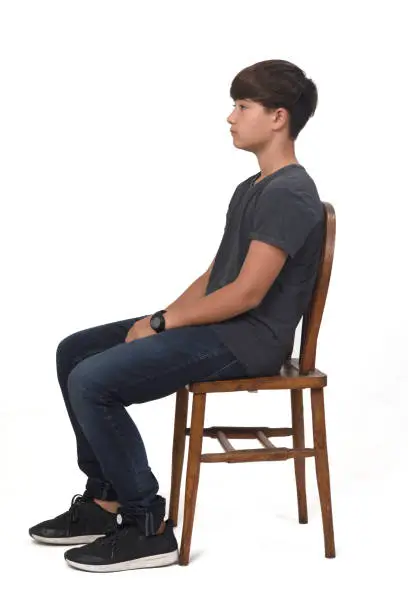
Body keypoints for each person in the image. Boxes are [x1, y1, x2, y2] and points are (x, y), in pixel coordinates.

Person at [28, 58, 325, 573]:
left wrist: (165, 325)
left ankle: (147, 525)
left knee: (92, 381)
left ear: (279, 117)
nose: (230, 117)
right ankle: (105, 501)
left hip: (247, 341)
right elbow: (216, 278)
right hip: (223, 327)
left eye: (242, 106)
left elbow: (248, 294)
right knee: (75, 351)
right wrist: (163, 314)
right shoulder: (252, 188)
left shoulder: (291, 193)